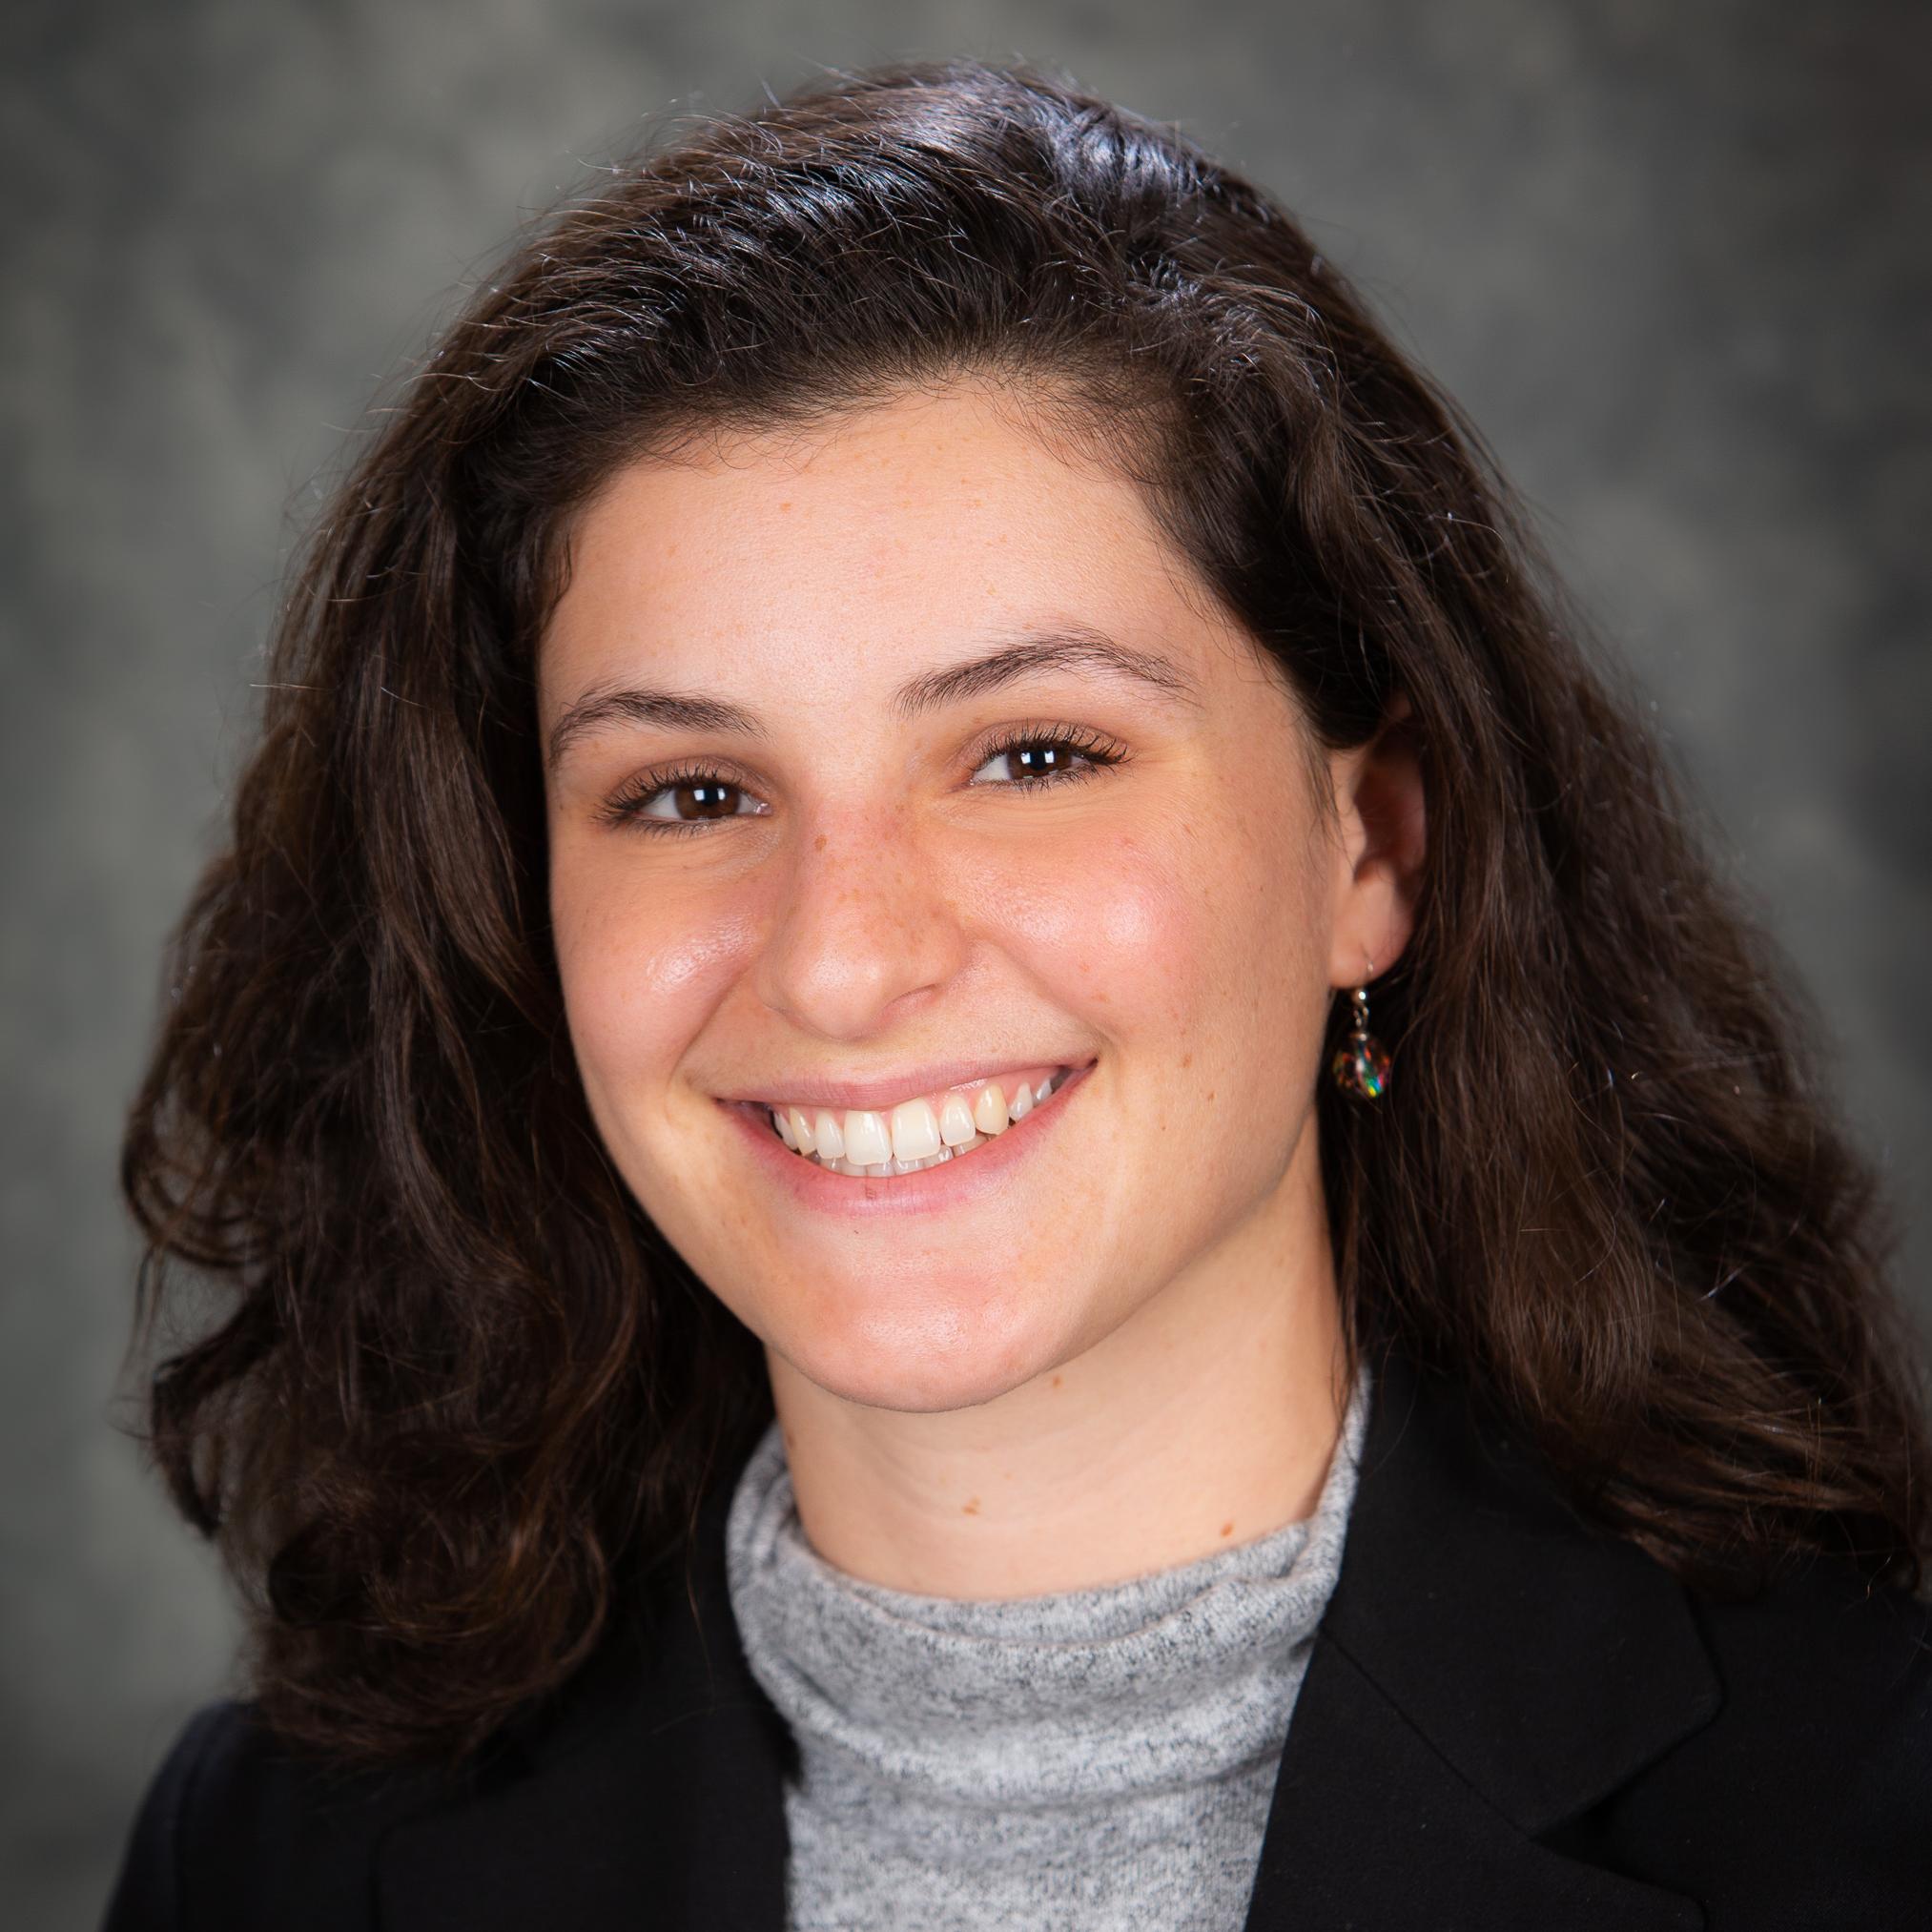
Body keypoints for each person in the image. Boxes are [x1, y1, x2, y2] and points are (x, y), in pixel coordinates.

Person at [102, 56, 1931, 1932]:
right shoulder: (274, 1859)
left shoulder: (1870, 1809)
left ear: (1368, 849)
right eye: (691, 791)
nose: (837, 954)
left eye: (1033, 753)